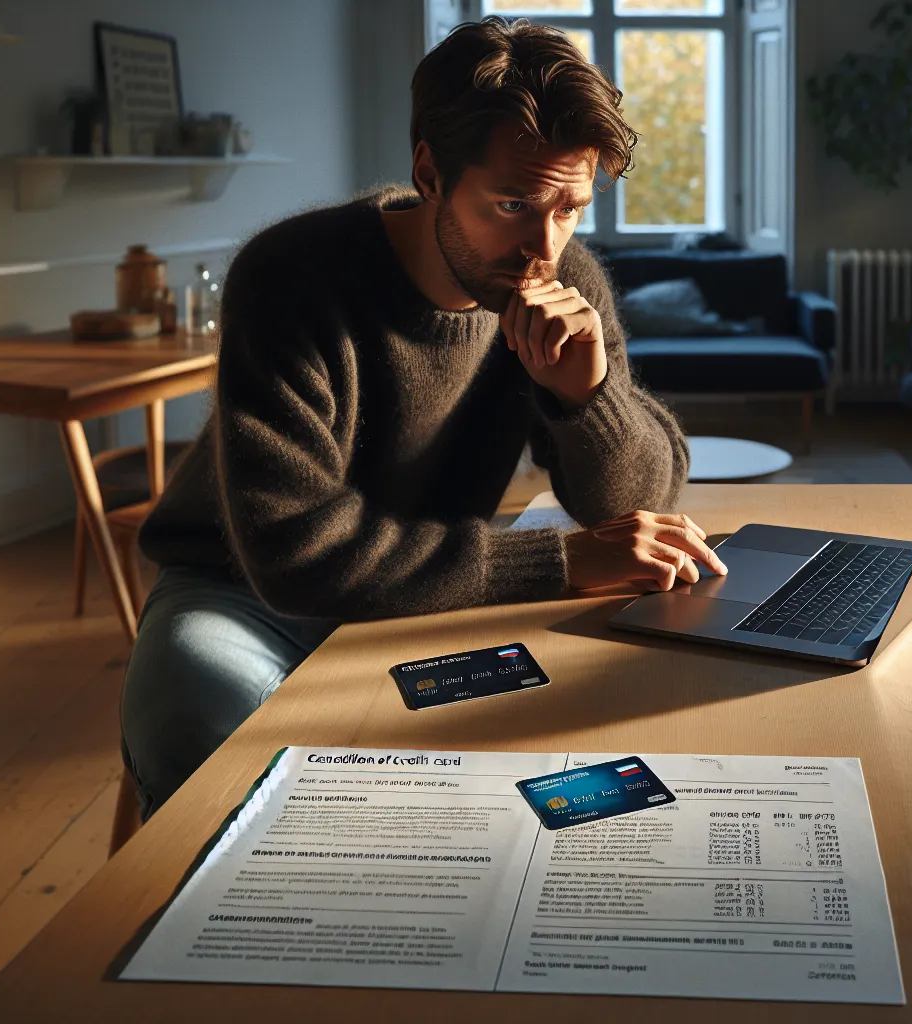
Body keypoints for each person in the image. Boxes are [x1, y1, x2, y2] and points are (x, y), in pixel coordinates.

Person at [121, 16, 727, 817]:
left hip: (431, 588)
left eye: (570, 208)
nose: (541, 248)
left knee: (564, 740)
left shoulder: (564, 275)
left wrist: (588, 397)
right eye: (511, 202)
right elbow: (294, 554)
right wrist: (556, 564)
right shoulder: (292, 277)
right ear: (430, 172)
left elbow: (637, 504)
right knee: (191, 722)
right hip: (243, 594)